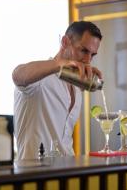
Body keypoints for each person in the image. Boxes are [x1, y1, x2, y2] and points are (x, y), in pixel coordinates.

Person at [12, 21, 103, 159]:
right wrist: (59, 64)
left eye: (92, 55)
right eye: (83, 50)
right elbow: (17, 75)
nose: (88, 59)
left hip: (66, 170)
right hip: (35, 173)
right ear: (65, 42)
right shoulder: (39, 79)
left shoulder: (77, 86)